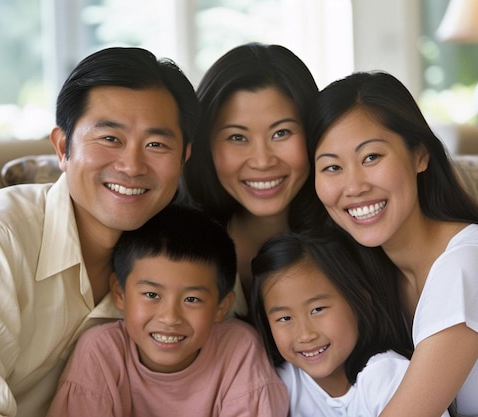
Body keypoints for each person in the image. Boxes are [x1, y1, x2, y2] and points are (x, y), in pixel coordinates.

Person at [0, 47, 199, 417]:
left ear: (183, 159)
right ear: (63, 148)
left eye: (156, 144)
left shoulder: (187, 254)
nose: (131, 166)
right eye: (110, 139)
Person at [306, 70, 478, 417]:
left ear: (420, 156)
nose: (353, 186)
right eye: (331, 167)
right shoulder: (385, 279)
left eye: (371, 157)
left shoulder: (465, 265)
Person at [47, 205, 289, 417]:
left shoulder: (239, 349)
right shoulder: (101, 352)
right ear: (120, 293)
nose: (170, 318)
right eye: (152, 295)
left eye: (192, 299)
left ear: (221, 307)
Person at [183, 42, 324, 314]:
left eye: (281, 133)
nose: (262, 161)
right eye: (237, 137)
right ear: (206, 146)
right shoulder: (166, 248)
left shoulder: (355, 243)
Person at [250, 231, 452, 416]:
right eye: (284, 318)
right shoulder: (280, 384)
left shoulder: (385, 376)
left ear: (359, 302)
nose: (305, 334)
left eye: (317, 310)